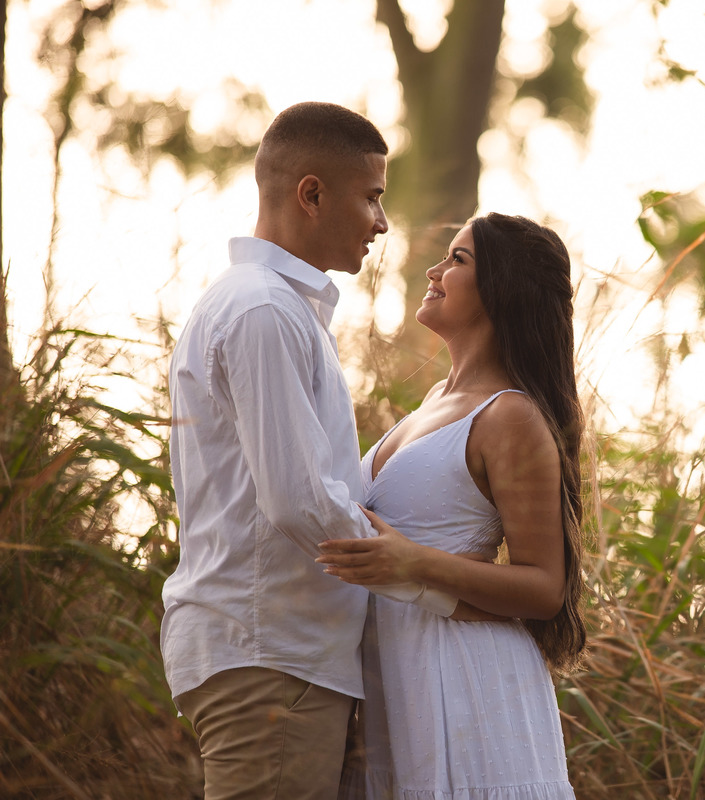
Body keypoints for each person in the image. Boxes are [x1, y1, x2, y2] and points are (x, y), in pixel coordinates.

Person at [162, 101, 459, 800]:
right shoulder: (263, 310)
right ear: (312, 193)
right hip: (273, 655)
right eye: (372, 197)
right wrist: (424, 581)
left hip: (280, 654)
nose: (382, 223)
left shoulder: (273, 308)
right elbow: (300, 501)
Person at [316, 213, 588, 799]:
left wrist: (414, 564)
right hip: (398, 675)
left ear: (502, 290)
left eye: (458, 260)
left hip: (467, 678)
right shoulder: (436, 401)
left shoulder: (509, 415)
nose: (435, 272)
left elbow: (545, 587)